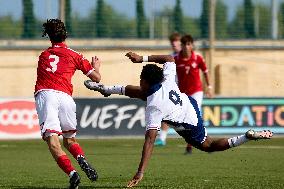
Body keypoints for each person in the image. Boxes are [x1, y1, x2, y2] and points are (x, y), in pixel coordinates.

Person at [84, 52, 273, 188]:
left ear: (147, 81)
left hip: (189, 121)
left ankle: (246, 137)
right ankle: (104, 89)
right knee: (141, 94)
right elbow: (169, 59)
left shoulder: (154, 106)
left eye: (141, 78)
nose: (140, 81)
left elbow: (150, 140)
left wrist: (140, 171)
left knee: (208, 146)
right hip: (186, 102)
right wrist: (142, 59)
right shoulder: (165, 78)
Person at [34, 19, 100, 189]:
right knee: (69, 140)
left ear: (49, 37)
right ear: (66, 34)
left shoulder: (44, 55)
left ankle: (73, 174)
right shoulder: (75, 55)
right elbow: (96, 78)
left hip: (47, 95)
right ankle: (81, 159)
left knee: (53, 141)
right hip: (66, 98)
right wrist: (96, 67)